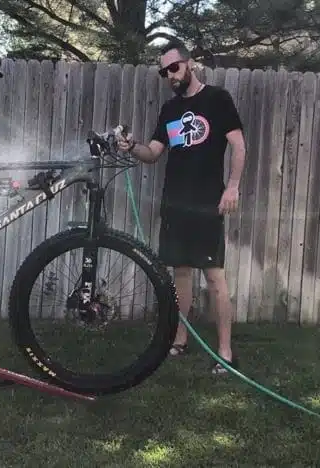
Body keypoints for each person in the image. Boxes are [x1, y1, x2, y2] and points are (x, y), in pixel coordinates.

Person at [117, 40, 246, 374]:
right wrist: (132, 146)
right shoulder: (170, 110)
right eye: (165, 72)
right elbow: (153, 153)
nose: (170, 76)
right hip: (175, 203)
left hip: (207, 203)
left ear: (190, 64)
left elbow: (238, 145)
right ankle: (180, 339)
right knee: (181, 273)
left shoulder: (217, 99)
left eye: (174, 68)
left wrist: (232, 186)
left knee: (214, 276)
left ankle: (225, 351)